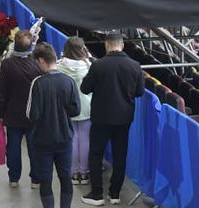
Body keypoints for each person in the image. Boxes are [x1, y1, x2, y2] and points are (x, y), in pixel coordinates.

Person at [80, 32, 144, 206]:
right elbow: (139, 92)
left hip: (101, 118)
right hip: (124, 118)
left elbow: (85, 88)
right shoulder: (135, 66)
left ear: (107, 45)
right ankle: (115, 194)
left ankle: (97, 194)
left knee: (96, 154)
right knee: (120, 156)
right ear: (121, 45)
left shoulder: (98, 66)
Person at [28, 43, 81, 208]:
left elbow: (32, 114)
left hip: (42, 140)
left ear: (42, 61)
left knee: (46, 180)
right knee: (65, 177)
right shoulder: (69, 81)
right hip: (65, 138)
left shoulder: (38, 83)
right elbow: (76, 110)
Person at [0, 31, 43, 189]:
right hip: (33, 114)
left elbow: (1, 92)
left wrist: (0, 114)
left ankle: (14, 178)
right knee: (34, 147)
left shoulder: (7, 64)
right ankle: (36, 179)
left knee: (14, 148)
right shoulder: (37, 65)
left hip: (12, 114)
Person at [58, 37, 93, 188]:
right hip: (86, 107)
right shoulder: (88, 66)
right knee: (85, 139)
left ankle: (72, 171)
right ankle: (84, 171)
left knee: (71, 139)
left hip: (67, 107)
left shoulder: (60, 66)